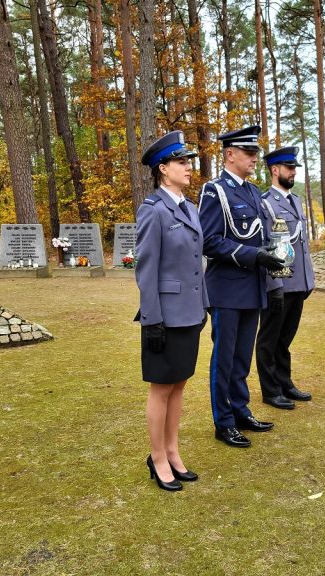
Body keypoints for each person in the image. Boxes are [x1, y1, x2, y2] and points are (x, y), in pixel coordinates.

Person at [198, 125, 286, 448]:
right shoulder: (214, 191)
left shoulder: (251, 192)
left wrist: (273, 262)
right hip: (226, 289)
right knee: (225, 356)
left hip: (252, 287)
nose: (254, 159)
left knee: (242, 357)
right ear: (230, 154)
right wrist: (254, 256)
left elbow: (264, 237)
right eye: (249, 153)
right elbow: (209, 241)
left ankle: (240, 409)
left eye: (256, 154)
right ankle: (223, 421)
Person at [135, 130, 209, 491]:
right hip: (164, 314)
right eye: (181, 162)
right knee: (161, 388)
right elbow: (146, 269)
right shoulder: (154, 210)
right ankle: (157, 457)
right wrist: (151, 320)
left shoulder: (190, 208)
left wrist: (204, 304)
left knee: (179, 385)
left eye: (188, 161)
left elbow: (197, 262)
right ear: (163, 168)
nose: (188, 167)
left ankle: (173, 451)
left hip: (190, 313)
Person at [256, 146, 315, 410]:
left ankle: (285, 382)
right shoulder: (266, 203)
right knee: (270, 338)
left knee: (286, 337)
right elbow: (269, 245)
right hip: (280, 282)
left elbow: (301, 244)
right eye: (289, 168)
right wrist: (275, 284)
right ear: (275, 170)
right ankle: (270, 390)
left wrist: (308, 281)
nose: (293, 173)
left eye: (295, 169)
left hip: (298, 282)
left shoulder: (296, 200)